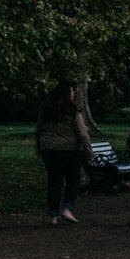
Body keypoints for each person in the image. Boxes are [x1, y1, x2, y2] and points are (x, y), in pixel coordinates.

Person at [35, 81, 91, 225]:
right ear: (67, 94)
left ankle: (53, 215)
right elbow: (82, 133)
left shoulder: (45, 111)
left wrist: (40, 148)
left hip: (49, 150)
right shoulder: (72, 111)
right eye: (72, 91)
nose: (73, 94)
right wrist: (88, 151)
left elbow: (39, 130)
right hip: (68, 150)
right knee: (73, 180)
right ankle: (67, 208)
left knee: (54, 181)